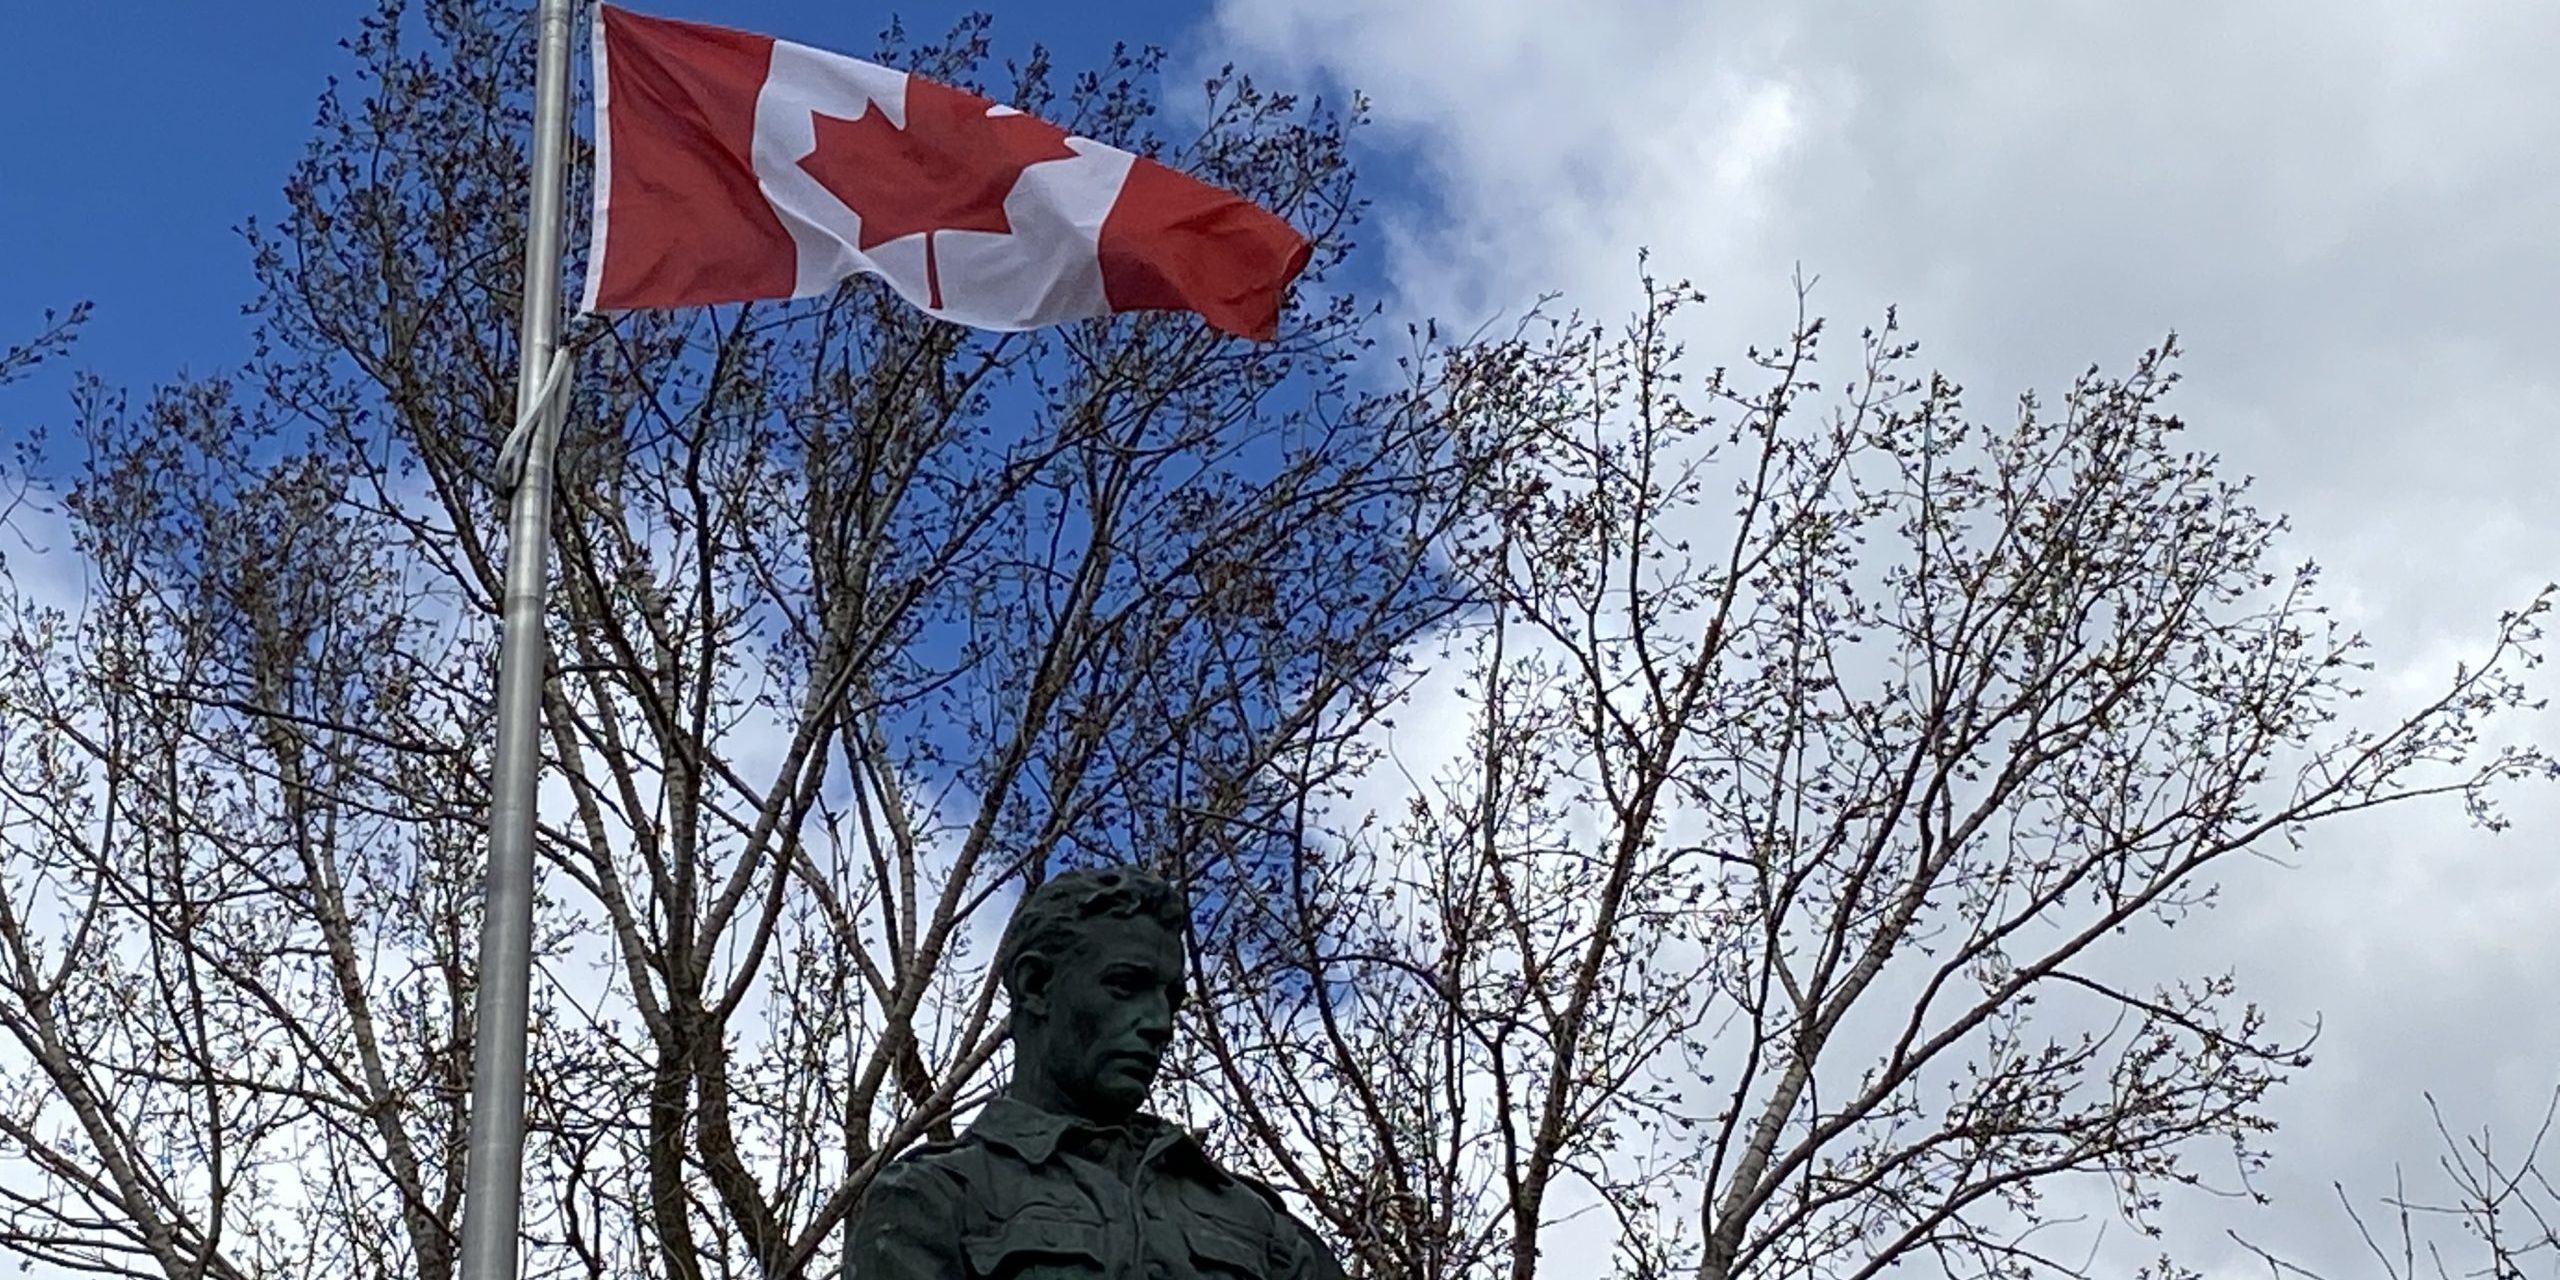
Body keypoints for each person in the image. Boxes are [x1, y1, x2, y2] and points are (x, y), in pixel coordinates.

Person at [846, 865, 1348, 1279]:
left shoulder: (1257, 1224)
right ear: (1036, 985)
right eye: (1126, 986)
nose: (1160, 1024)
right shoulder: (934, 1199)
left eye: (1171, 1000)